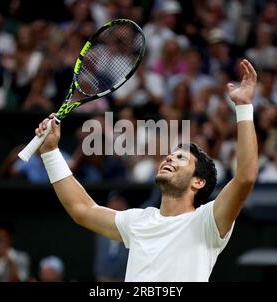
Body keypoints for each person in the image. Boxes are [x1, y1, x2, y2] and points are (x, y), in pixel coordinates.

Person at [33, 60, 258, 281]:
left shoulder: (207, 221)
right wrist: (51, 152)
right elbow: (81, 209)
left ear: (198, 181)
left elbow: (245, 178)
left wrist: (244, 107)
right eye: (171, 155)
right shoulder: (138, 221)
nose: (169, 157)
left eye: (181, 158)